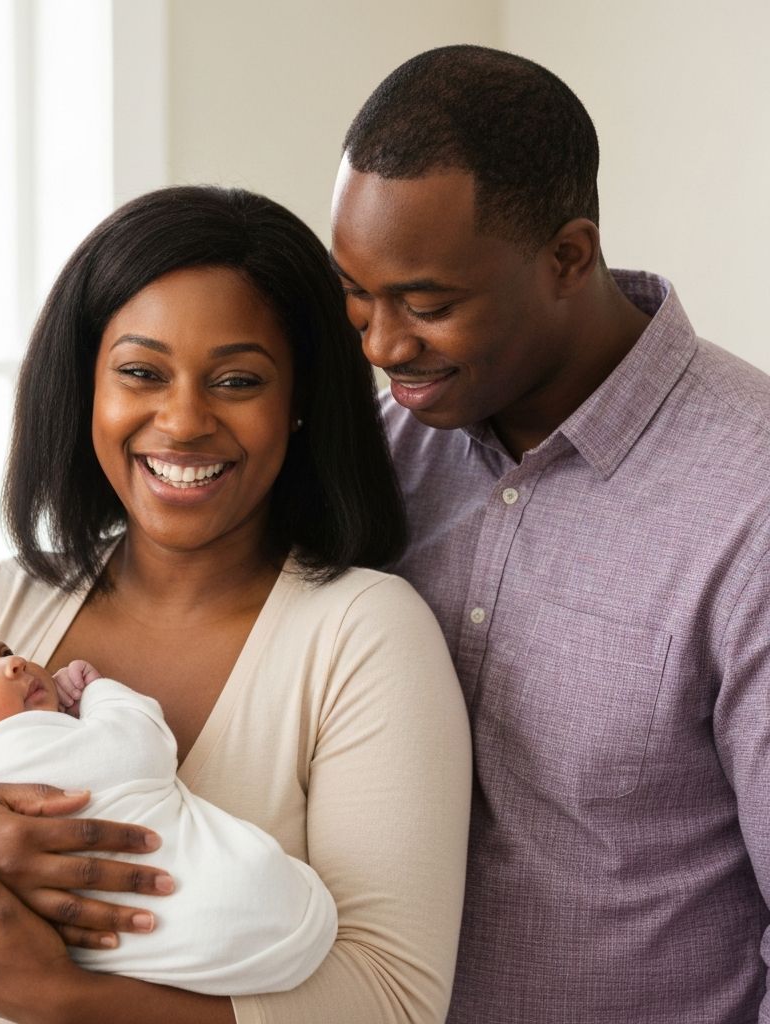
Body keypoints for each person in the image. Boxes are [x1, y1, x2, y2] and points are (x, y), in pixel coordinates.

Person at [0, 185, 472, 1024]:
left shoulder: (362, 634)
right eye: (141, 372)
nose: (182, 421)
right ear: (86, 388)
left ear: (299, 404)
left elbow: (393, 1003)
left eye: (237, 380)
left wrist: (63, 997)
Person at [330, 44, 770, 1024]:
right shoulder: (372, 459)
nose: (380, 344)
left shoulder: (753, 503)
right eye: (357, 295)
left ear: (568, 257)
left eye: (427, 304)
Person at [0, 620, 337, 995]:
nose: (14, 662)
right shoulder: (16, 749)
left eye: (4, 650)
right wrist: (100, 694)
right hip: (254, 921)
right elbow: (142, 746)